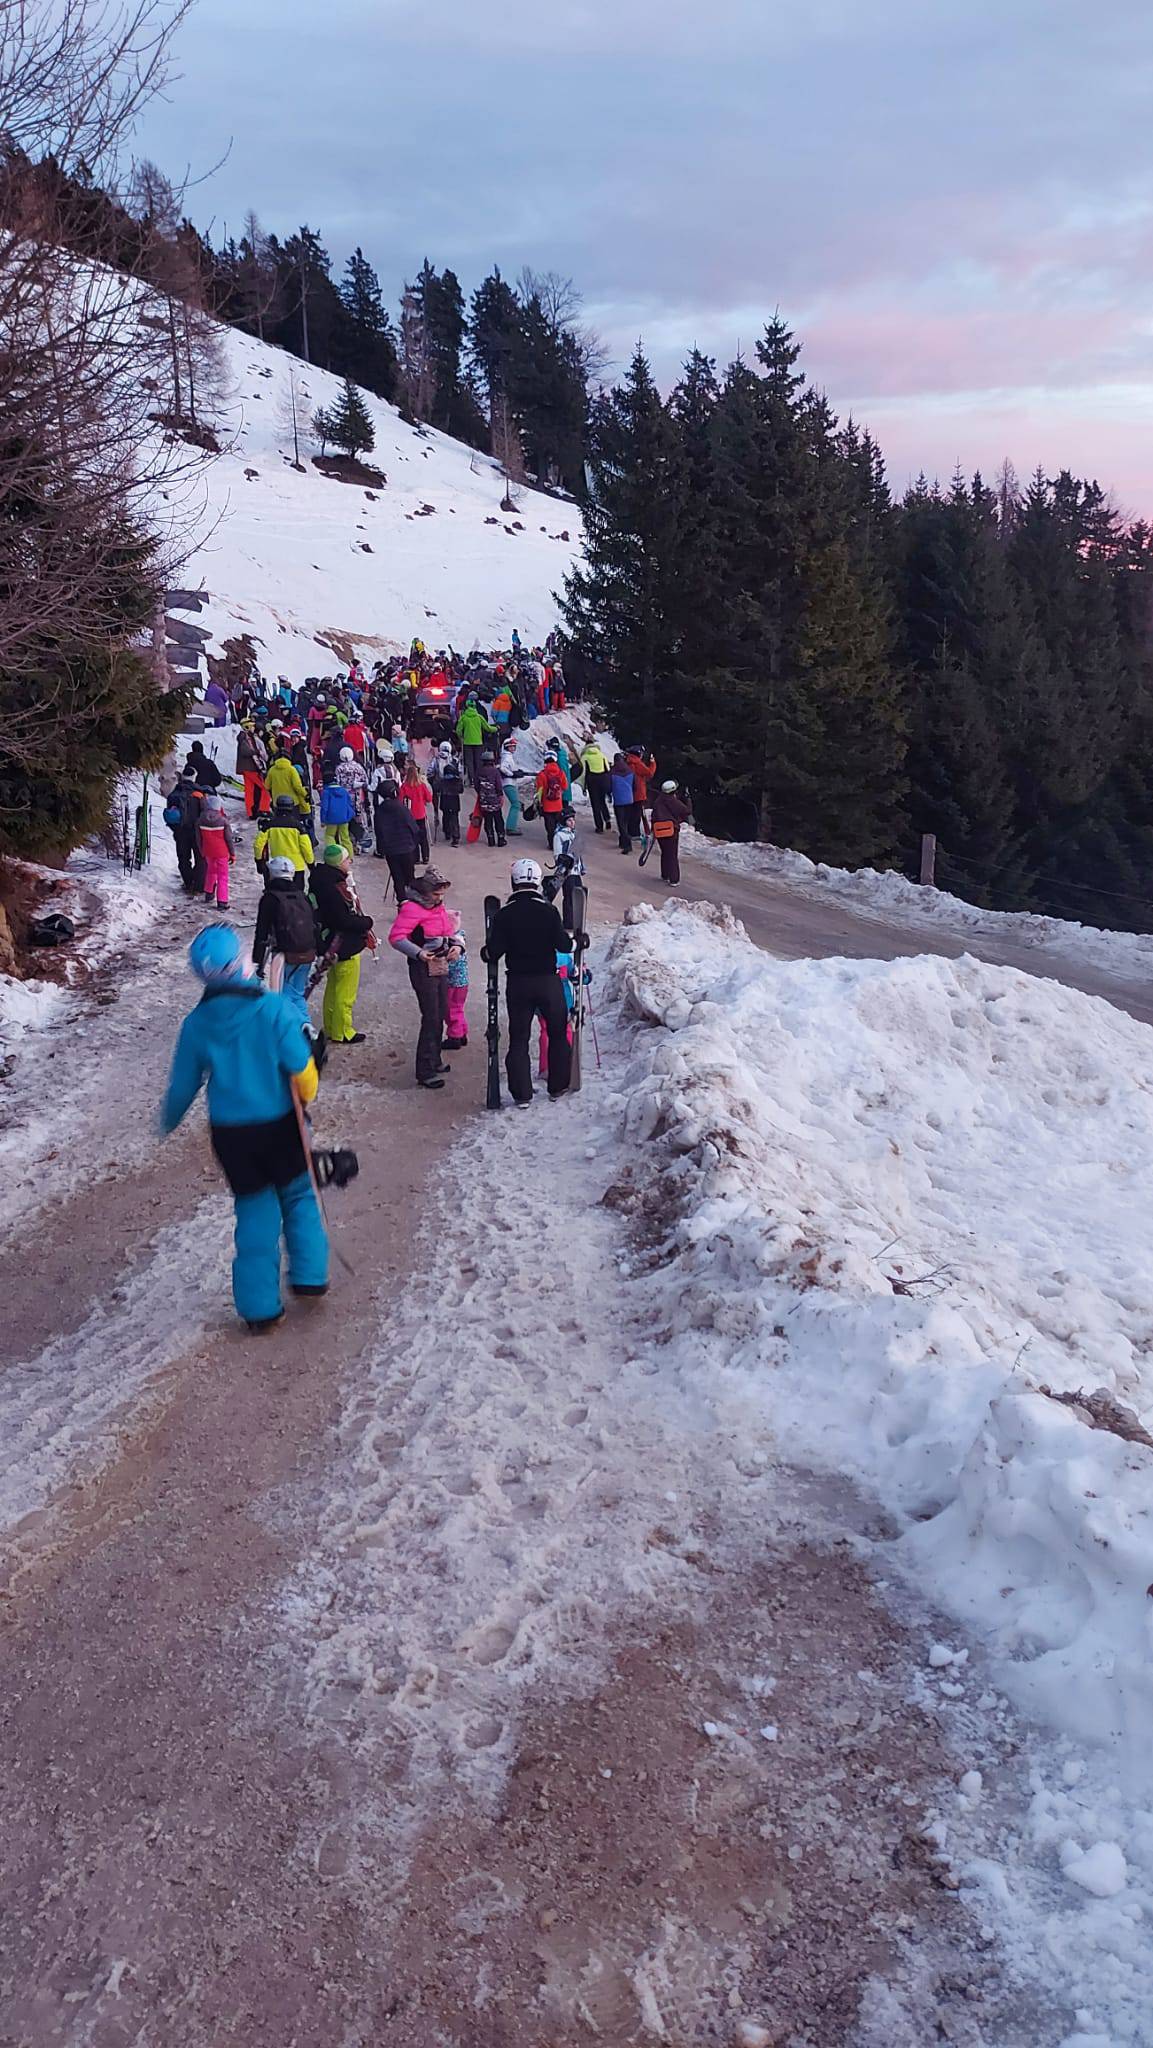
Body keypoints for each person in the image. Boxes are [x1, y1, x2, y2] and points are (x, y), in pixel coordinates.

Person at [160, 924, 327, 1333]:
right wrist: (309, 1091)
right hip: (279, 1125)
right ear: (239, 964)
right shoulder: (271, 1010)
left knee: (254, 1212)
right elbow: (299, 1066)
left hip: (232, 1135)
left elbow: (183, 1084)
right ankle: (309, 1277)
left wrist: (166, 1121)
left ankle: (259, 1309)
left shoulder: (197, 1024)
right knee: (300, 1196)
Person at [483, 858, 575, 1105]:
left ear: (514, 882)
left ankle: (522, 1094)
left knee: (519, 1037)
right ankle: (557, 1086)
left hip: (519, 982)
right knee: (557, 1033)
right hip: (548, 980)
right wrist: (577, 942)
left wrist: (486, 950)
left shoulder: (504, 914)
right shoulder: (548, 911)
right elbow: (564, 944)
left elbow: (492, 952)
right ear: (536, 882)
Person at [388, 869, 456, 1090]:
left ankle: (434, 1059)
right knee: (431, 1015)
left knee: (441, 1011)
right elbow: (396, 938)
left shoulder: (436, 906)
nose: (440, 898)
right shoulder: (411, 909)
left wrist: (456, 946)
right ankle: (425, 1069)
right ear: (426, 893)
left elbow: (448, 931)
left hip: (440, 963)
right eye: (437, 894)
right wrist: (418, 953)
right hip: (422, 966)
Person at [311, 844, 377, 1046]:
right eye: (347, 859)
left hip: (330, 944)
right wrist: (366, 922)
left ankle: (331, 1026)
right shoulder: (336, 888)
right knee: (345, 992)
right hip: (345, 945)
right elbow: (343, 920)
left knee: (333, 987)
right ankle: (343, 1031)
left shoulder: (320, 880)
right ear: (339, 863)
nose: (350, 862)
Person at [253, 854, 318, 1025]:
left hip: (284, 954)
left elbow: (262, 932)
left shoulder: (270, 898)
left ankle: (292, 1036)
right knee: (297, 994)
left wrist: (257, 962)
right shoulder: (301, 896)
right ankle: (306, 1030)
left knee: (284, 996)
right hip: (307, 951)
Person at [373, 782, 423, 900]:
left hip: (391, 850)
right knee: (410, 878)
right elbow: (414, 828)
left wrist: (381, 850)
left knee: (397, 878)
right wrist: (415, 843)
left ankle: (402, 903)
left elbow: (378, 832)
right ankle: (413, 902)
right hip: (407, 848)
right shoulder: (401, 808)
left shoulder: (379, 811)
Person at [254, 794, 313, 884]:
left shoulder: (269, 825)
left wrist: (259, 860)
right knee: (298, 894)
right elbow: (306, 847)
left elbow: (258, 845)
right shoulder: (299, 827)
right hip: (296, 867)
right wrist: (310, 863)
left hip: (278, 867)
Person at [164, 769, 204, 893]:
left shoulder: (174, 794)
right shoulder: (199, 793)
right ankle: (198, 885)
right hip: (197, 832)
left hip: (181, 832)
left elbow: (171, 814)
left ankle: (188, 882)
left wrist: (175, 829)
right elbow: (205, 812)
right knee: (200, 858)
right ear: (194, 777)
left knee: (183, 858)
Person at [197, 790, 236, 909]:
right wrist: (232, 854)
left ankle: (209, 893)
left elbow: (198, 838)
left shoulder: (200, 820)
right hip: (221, 852)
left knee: (211, 871)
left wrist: (202, 850)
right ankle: (222, 901)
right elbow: (229, 839)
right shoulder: (223, 821)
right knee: (222, 876)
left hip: (208, 850)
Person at [649, 779, 692, 886]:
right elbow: (686, 811)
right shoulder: (673, 801)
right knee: (672, 854)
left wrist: (652, 830)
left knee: (665, 852)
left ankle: (665, 874)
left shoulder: (658, 801)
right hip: (671, 831)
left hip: (659, 830)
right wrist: (688, 800)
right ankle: (674, 879)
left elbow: (654, 816)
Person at [546, 806, 583, 927]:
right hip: (566, 872)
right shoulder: (559, 835)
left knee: (579, 896)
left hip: (576, 871)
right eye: (569, 820)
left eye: (573, 820)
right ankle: (569, 922)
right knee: (569, 898)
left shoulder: (574, 834)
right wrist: (565, 861)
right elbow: (557, 855)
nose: (572, 822)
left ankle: (577, 920)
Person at [456, 694, 496, 787]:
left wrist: (461, 736)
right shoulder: (479, 717)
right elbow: (488, 728)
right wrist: (496, 729)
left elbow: (458, 730)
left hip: (467, 742)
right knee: (478, 761)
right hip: (478, 742)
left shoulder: (464, 717)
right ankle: (478, 779)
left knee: (469, 762)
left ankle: (472, 779)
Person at [431, 742, 465, 847]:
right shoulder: (455, 760)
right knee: (454, 817)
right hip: (454, 800)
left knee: (445, 815)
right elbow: (461, 787)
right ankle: (456, 837)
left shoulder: (435, 760)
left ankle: (447, 832)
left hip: (444, 798)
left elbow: (430, 774)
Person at [400, 759, 434, 864]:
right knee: (423, 837)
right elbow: (429, 798)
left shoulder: (404, 786)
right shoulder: (422, 786)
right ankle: (426, 857)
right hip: (421, 814)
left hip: (410, 815)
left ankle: (416, 858)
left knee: (413, 837)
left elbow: (400, 800)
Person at [235, 720, 269, 818]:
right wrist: (257, 751)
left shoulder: (244, 737)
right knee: (265, 787)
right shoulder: (246, 738)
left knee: (249, 791)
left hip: (246, 768)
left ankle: (250, 812)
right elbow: (245, 751)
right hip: (251, 768)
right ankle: (264, 809)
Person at [336, 745, 370, 840]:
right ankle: (363, 840)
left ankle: (351, 840)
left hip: (344, 797)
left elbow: (338, 783)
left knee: (347, 818)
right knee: (360, 817)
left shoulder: (339, 768)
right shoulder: (358, 767)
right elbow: (366, 781)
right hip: (358, 796)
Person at [266, 743, 312, 814]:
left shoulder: (272, 770)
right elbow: (297, 787)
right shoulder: (292, 770)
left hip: (277, 803)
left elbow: (267, 786)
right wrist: (305, 794)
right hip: (292, 803)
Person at [535, 750, 568, 849]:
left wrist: (539, 803)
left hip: (547, 805)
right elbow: (565, 787)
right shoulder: (560, 772)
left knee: (550, 827)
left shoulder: (542, 774)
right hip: (558, 805)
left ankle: (552, 844)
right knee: (559, 825)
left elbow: (539, 790)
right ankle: (559, 844)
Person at [578, 739, 613, 833]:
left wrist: (583, 787)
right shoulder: (602, 755)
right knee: (602, 801)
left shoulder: (584, 757)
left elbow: (583, 773)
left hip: (592, 780)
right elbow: (607, 769)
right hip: (603, 779)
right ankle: (607, 819)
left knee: (595, 804)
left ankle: (599, 827)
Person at [444, 921, 470, 1049]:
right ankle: (462, 1033)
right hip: (463, 983)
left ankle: (454, 1037)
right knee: (459, 1008)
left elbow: (448, 966)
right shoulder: (460, 941)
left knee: (451, 1010)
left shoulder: (451, 947)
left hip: (453, 984)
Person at [475, 749, 507, 847]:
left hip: (484, 801)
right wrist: (501, 796)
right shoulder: (495, 771)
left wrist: (481, 794)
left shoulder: (479, 771)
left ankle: (491, 839)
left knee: (488, 821)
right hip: (495, 801)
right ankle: (501, 839)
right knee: (498, 820)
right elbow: (498, 786)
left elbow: (476, 785)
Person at [625, 745, 658, 831]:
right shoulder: (637, 763)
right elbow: (650, 773)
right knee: (637, 814)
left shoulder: (627, 761)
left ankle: (629, 830)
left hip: (629, 791)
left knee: (631, 813)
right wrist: (653, 763)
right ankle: (634, 832)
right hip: (638, 792)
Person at [610, 753, 638, 853]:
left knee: (621, 823)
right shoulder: (630, 771)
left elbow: (609, 787)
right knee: (626, 822)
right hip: (629, 800)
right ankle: (622, 842)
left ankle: (627, 844)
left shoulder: (612, 772)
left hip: (618, 801)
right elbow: (635, 786)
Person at [500, 735, 524, 835]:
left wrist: (517, 772)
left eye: (514, 746)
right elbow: (503, 768)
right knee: (516, 804)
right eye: (512, 746)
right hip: (508, 783)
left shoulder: (508, 756)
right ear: (507, 747)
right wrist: (512, 774)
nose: (513, 748)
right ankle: (510, 827)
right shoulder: (507, 757)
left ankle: (511, 826)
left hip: (510, 783)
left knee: (516, 804)